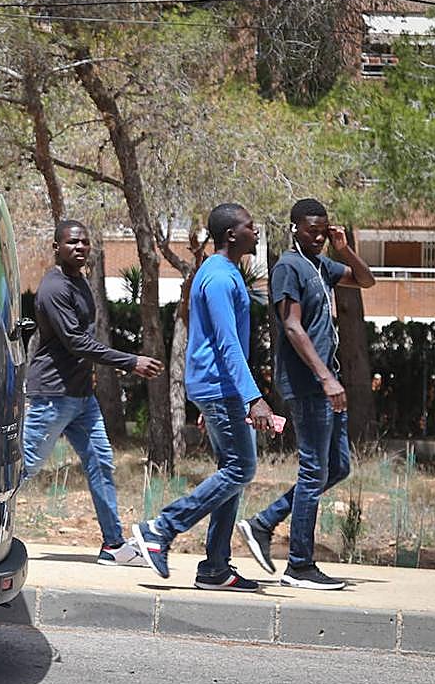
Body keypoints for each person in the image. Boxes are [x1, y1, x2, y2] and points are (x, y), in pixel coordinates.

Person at [131, 203, 276, 590]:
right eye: (250, 225)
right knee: (241, 470)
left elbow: (214, 340)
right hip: (222, 388)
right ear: (231, 235)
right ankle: (160, 529)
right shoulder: (218, 278)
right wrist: (252, 397)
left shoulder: (220, 273)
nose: (256, 231)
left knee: (232, 472)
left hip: (218, 389)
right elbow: (227, 344)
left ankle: (215, 568)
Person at [236, 198, 375, 590]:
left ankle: (263, 523)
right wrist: (326, 379)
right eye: (311, 229)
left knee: (339, 466)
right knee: (314, 470)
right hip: (308, 383)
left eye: (323, 229)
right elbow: (292, 327)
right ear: (294, 227)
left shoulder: (321, 266)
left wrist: (344, 249)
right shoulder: (288, 267)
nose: (318, 236)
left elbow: (366, 282)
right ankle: (299, 564)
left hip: (327, 380)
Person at [23, 219, 163, 566]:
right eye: (72, 242)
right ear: (56, 247)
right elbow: (75, 342)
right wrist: (130, 361)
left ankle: (113, 544)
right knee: (23, 468)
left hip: (82, 397)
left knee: (101, 462)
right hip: (51, 394)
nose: (80, 247)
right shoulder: (54, 287)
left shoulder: (80, 281)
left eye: (84, 242)